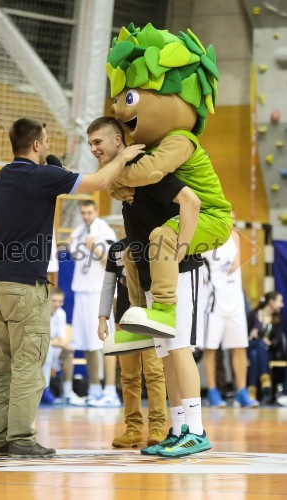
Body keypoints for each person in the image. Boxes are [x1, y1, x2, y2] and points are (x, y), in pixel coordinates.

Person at [0, 117, 144, 458]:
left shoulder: (2, 177)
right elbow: (100, 181)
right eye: (45, 142)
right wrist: (123, 155)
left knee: (1, 365)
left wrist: (57, 169)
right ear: (38, 145)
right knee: (28, 363)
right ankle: (22, 439)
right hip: (25, 283)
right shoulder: (42, 176)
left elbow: (51, 178)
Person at [88, 116, 211, 457]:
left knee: (179, 348)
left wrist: (182, 247)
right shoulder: (125, 175)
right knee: (167, 355)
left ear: (117, 139)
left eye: (99, 142)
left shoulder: (145, 167)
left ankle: (197, 431)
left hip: (179, 273)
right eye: (90, 145)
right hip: (149, 278)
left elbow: (192, 202)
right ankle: (179, 427)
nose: (94, 149)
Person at [106, 23, 232, 339]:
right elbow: (120, 187)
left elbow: (151, 171)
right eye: (118, 99)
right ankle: (135, 316)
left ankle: (164, 309)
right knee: (132, 251)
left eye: (129, 97)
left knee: (162, 236)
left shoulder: (180, 139)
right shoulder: (146, 147)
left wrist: (115, 172)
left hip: (212, 218)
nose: (119, 108)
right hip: (185, 214)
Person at [98, 237, 167, 447]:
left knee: (154, 374)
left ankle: (157, 427)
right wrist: (103, 317)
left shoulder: (154, 243)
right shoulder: (116, 248)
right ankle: (133, 428)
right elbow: (109, 284)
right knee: (128, 377)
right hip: (123, 320)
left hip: (150, 318)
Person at [68, 200, 121, 407]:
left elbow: (112, 261)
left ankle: (110, 391)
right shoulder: (80, 230)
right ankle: (94, 389)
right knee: (88, 345)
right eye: (83, 212)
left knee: (105, 343)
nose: (86, 216)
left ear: (96, 212)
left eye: (89, 212)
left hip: (99, 292)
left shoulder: (104, 230)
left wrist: (95, 249)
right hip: (81, 290)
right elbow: (71, 253)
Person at [203, 231, 259, 408]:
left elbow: (236, 263)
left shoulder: (235, 236)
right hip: (213, 303)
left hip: (235, 303)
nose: (230, 219)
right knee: (210, 349)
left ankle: (242, 392)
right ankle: (212, 391)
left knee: (240, 347)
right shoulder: (205, 237)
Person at [41, 287, 85, 405]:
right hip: (38, 348)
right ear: (48, 300)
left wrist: (58, 343)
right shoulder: (39, 312)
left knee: (68, 352)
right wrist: (55, 342)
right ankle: (44, 389)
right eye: (54, 301)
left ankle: (67, 392)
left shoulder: (61, 314)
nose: (57, 304)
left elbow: (61, 339)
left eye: (60, 301)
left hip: (52, 348)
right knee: (47, 349)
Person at [247, 291, 286, 404]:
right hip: (251, 346)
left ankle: (252, 392)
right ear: (271, 302)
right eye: (280, 301)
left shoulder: (276, 319)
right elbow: (243, 338)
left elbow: (277, 341)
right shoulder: (253, 315)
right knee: (259, 345)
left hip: (268, 352)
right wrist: (251, 335)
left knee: (257, 352)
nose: (282, 304)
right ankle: (266, 387)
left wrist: (269, 342)